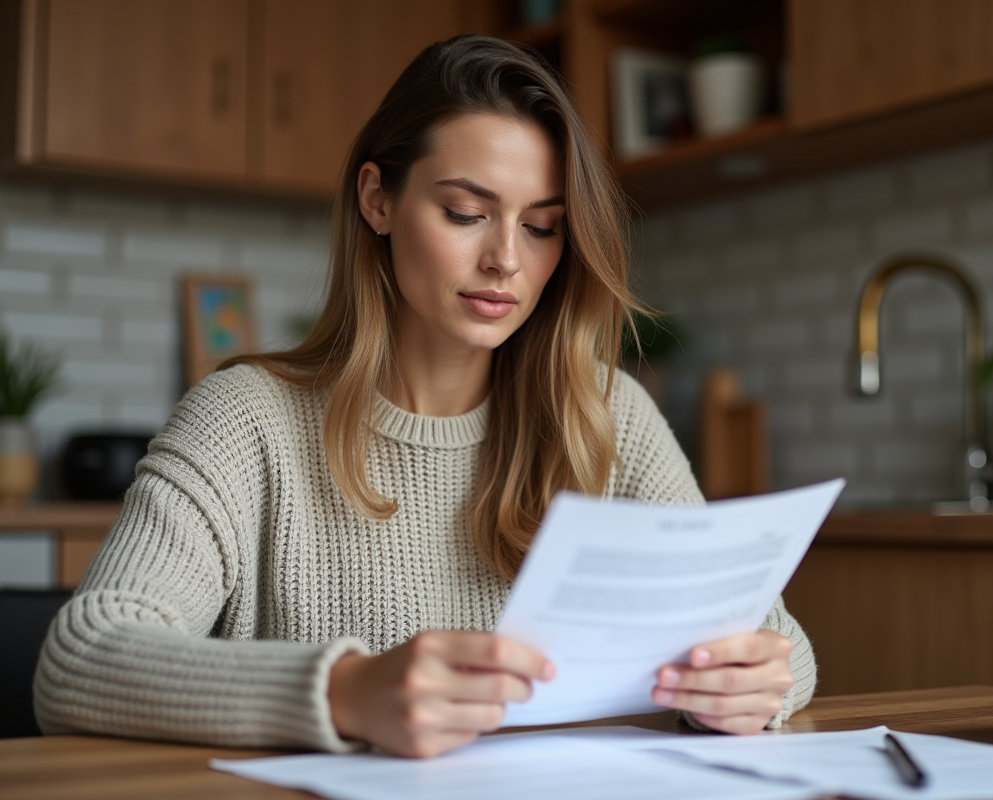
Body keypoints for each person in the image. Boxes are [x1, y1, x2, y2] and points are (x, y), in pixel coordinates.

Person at [34, 35, 816, 759]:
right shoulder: (245, 421)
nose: (506, 259)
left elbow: (783, 648)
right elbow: (80, 659)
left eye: (542, 227)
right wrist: (346, 693)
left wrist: (748, 686)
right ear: (378, 199)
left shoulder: (606, 416)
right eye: (466, 213)